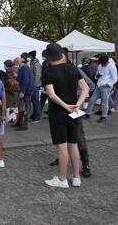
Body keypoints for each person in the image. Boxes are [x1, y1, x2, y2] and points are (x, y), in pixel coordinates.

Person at [42, 43, 89, 188]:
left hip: (58, 112)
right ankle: (76, 177)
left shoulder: (48, 73)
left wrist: (66, 106)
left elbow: (51, 95)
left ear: (49, 58)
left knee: (62, 147)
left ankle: (62, 179)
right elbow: (85, 88)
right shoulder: (72, 68)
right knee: (73, 145)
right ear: (61, 55)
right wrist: (77, 105)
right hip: (74, 112)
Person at [83, 55, 118, 123]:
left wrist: (108, 84)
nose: (102, 65)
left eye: (103, 63)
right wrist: (97, 76)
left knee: (104, 102)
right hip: (99, 85)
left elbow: (115, 79)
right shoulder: (100, 66)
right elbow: (96, 75)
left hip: (106, 87)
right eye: (101, 63)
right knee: (92, 100)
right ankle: (87, 114)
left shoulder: (112, 67)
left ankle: (103, 116)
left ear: (106, 61)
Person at [12, 55, 34, 131]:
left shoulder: (24, 68)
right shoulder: (23, 68)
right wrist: (17, 77)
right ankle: (20, 122)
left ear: (17, 62)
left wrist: (22, 91)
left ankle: (25, 124)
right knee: (21, 106)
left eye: (15, 63)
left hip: (26, 90)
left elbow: (25, 80)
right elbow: (22, 79)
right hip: (25, 90)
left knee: (26, 107)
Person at [28, 50, 42, 122]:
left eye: (29, 56)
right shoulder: (32, 63)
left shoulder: (36, 64)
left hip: (35, 85)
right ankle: (34, 114)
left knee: (36, 100)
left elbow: (38, 75)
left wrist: (34, 85)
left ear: (32, 56)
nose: (28, 57)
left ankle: (37, 116)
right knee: (33, 100)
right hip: (33, 85)